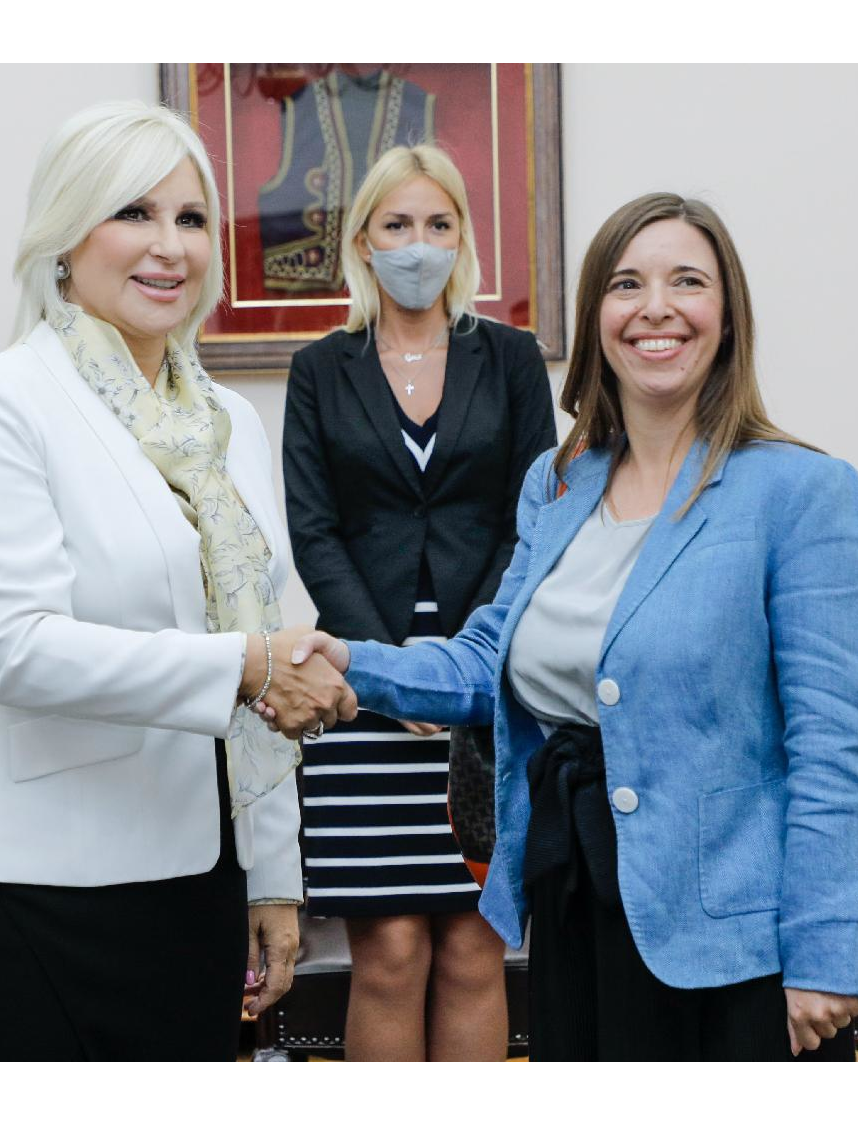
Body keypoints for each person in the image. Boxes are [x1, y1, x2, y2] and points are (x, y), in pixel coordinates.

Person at [274, 193, 858, 1061]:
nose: (656, 308)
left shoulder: (803, 493)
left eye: (688, 282)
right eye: (627, 284)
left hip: (734, 944)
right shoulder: (559, 483)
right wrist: (350, 660)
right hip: (574, 899)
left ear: (729, 314)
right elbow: (490, 659)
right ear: (598, 314)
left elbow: (835, 750)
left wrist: (828, 951)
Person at [0, 101, 355, 1062]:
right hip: (36, 884)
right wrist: (246, 664)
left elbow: (261, 631)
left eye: (191, 218)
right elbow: (16, 650)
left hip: (199, 876)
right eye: (133, 213)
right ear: (64, 236)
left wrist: (272, 874)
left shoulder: (228, 420)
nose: (170, 246)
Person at [283, 144, 556, 1062]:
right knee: (391, 952)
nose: (419, 243)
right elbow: (315, 530)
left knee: (477, 947)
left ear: (463, 238)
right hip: (361, 682)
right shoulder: (321, 368)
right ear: (364, 240)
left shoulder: (510, 357)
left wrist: (459, 668)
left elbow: (533, 519)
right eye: (398, 224)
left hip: (490, 674)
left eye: (439, 224)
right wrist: (396, 675)